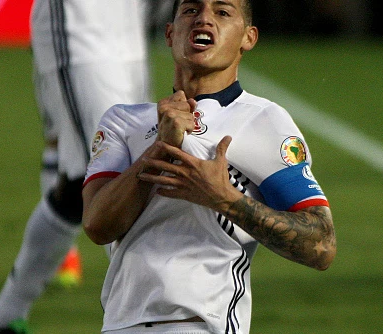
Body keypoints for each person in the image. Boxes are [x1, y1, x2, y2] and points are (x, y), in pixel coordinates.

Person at [82, 0, 337, 333]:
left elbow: (322, 245)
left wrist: (225, 199)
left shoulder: (264, 121)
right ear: (170, 34)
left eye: (223, 11)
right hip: (118, 323)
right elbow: (98, 226)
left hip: (202, 325)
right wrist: (162, 148)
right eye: (191, 10)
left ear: (248, 37)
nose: (204, 18)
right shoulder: (123, 121)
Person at [0, 0, 151, 332]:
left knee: (77, 186)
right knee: (117, 174)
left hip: (129, 24)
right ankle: (148, 318)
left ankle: (3, 320)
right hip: (80, 23)